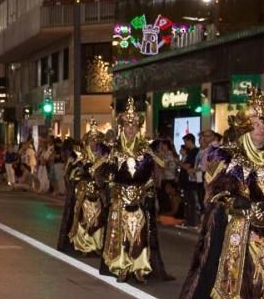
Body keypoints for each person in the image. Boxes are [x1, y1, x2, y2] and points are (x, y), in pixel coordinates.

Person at [159, 89, 264, 299]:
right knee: (247, 272)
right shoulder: (229, 157)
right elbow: (214, 192)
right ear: (246, 128)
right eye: (256, 124)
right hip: (242, 227)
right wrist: (234, 201)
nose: (261, 129)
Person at [96, 98, 172, 283]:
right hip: (120, 198)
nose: (131, 129)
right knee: (119, 233)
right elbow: (102, 171)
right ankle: (121, 267)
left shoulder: (146, 149)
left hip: (140, 197)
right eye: (127, 125)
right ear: (122, 126)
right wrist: (112, 190)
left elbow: (158, 168)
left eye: (134, 125)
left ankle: (140, 267)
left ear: (138, 128)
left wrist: (149, 192)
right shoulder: (114, 149)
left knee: (140, 233)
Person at [66, 121, 110, 256]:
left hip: (98, 192)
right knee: (83, 217)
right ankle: (84, 245)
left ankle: (97, 244)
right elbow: (72, 170)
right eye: (91, 141)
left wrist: (102, 178)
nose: (94, 143)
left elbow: (107, 173)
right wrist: (80, 173)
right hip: (84, 191)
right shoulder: (83, 156)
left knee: (99, 218)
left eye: (96, 141)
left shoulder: (103, 157)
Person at [178, 133, 200, 227]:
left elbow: (187, 166)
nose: (185, 144)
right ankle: (188, 220)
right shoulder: (191, 152)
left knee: (191, 202)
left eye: (185, 142)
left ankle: (191, 222)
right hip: (186, 181)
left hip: (190, 182)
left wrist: (178, 162)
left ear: (189, 141)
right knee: (187, 202)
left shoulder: (194, 152)